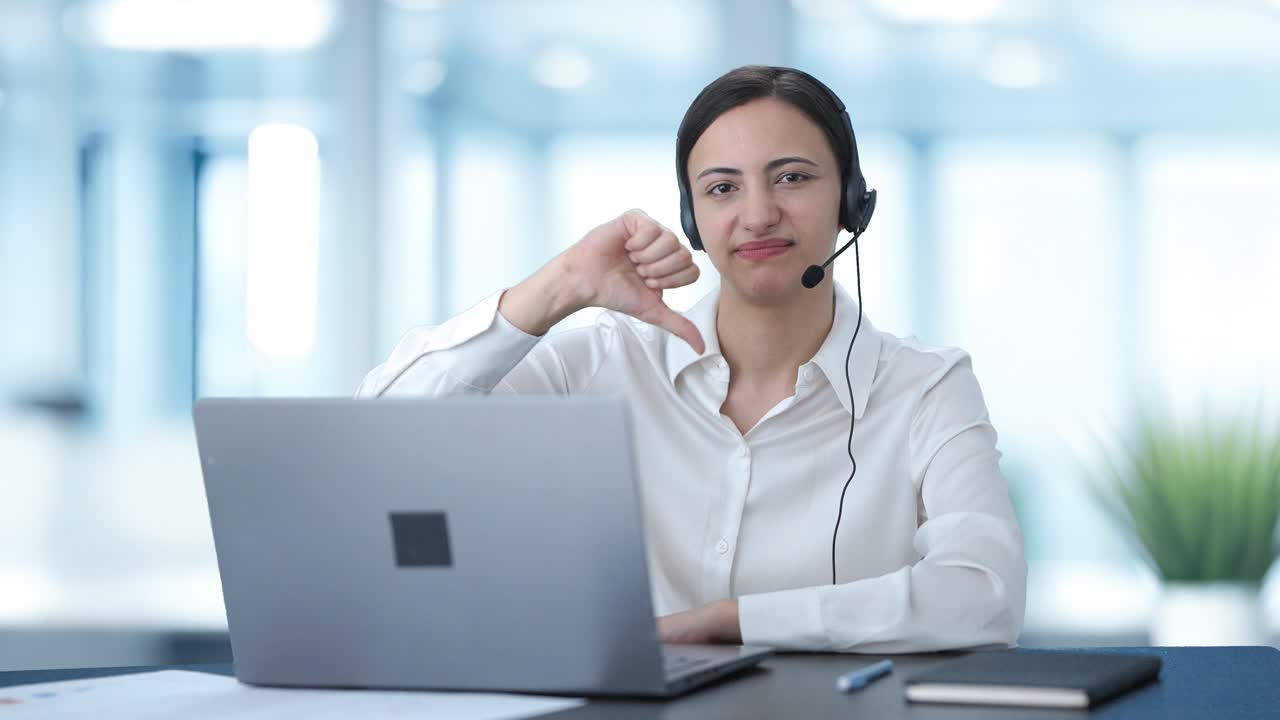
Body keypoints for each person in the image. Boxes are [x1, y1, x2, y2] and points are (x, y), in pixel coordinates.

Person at [356, 65, 1026, 653]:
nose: (759, 215)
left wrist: (737, 621)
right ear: (692, 215)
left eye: (791, 178)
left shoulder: (926, 386)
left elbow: (984, 595)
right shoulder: (601, 361)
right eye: (722, 188)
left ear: (852, 201)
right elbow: (376, 444)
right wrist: (560, 287)